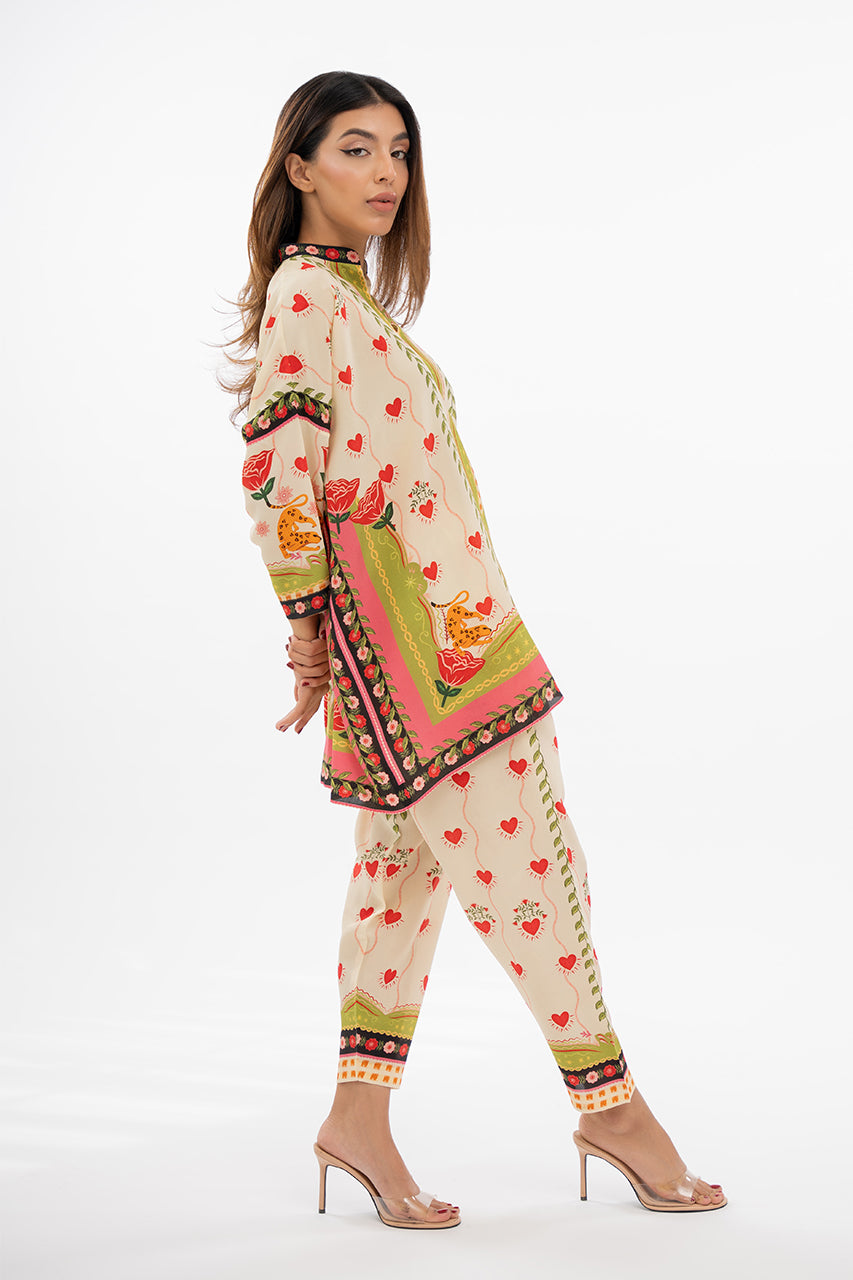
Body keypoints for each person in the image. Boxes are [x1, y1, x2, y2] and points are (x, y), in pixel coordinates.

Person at [224, 70, 726, 1228]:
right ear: (298, 168)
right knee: (535, 869)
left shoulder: (347, 299)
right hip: (427, 662)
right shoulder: (309, 295)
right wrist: (306, 632)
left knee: (400, 875)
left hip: (433, 643)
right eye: (356, 148)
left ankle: (355, 1119)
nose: (386, 173)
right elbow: (274, 473)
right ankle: (611, 1106)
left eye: (399, 150)